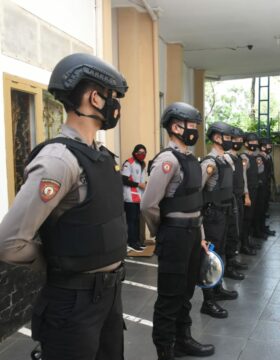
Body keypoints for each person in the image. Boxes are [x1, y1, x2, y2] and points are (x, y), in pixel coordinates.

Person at [0, 53, 128, 360]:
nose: (115, 105)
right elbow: (9, 242)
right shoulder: (59, 161)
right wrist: (55, 258)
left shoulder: (100, 156)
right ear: (95, 98)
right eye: (112, 97)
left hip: (109, 295)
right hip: (73, 301)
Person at [140, 102, 214, 359]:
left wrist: (201, 238)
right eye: (191, 126)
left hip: (193, 234)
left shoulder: (191, 159)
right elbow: (148, 205)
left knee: (186, 292)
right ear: (175, 126)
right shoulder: (167, 160)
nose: (194, 131)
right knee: (170, 295)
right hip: (175, 235)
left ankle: (183, 339)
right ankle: (165, 348)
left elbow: (196, 204)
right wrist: (164, 231)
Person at [199, 121, 239, 318]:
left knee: (220, 253)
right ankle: (207, 301)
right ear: (216, 137)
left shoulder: (225, 160)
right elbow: (197, 190)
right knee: (209, 257)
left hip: (224, 213)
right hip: (212, 214)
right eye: (228, 138)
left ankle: (217, 289)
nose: (231, 141)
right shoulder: (210, 162)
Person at [223, 126, 249, 277]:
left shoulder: (239, 158)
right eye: (235, 139)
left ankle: (232, 259)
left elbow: (243, 178)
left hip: (238, 198)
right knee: (231, 231)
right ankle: (228, 266)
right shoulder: (225, 158)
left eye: (240, 140)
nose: (238, 142)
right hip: (229, 200)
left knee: (237, 229)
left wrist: (246, 194)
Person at [239, 133, 262, 255]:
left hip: (255, 189)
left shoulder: (254, 157)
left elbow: (260, 170)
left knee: (251, 217)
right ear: (246, 143)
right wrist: (246, 194)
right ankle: (244, 244)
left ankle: (247, 240)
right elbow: (243, 177)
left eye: (256, 143)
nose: (254, 145)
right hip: (248, 191)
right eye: (251, 143)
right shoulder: (244, 157)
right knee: (246, 218)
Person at [122, 144, 147, 252]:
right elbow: (124, 179)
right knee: (131, 221)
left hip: (138, 197)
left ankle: (136, 241)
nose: (142, 155)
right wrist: (138, 185)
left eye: (144, 153)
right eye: (140, 152)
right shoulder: (129, 163)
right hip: (129, 197)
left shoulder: (142, 164)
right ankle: (131, 242)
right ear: (135, 152)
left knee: (137, 220)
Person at [258, 138, 276, 237]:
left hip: (266, 185)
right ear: (262, 147)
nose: (270, 147)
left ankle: (263, 227)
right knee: (260, 209)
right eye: (269, 145)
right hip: (261, 186)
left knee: (264, 207)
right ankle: (259, 229)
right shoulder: (259, 158)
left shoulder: (268, 156)